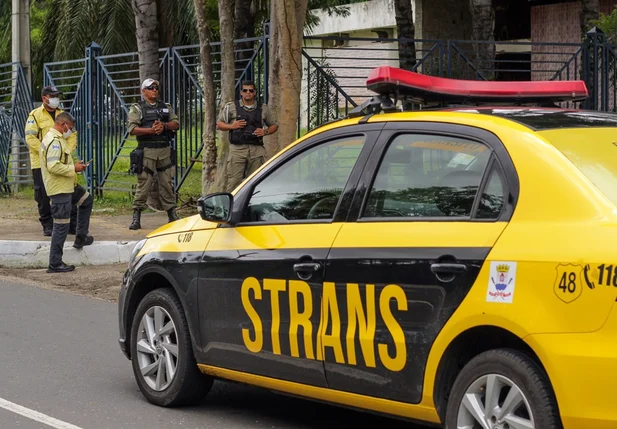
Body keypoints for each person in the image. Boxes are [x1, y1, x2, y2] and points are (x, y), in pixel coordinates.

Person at [40, 112, 94, 273]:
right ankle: (55, 263)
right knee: (61, 225)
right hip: (59, 188)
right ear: (63, 125)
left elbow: (59, 161)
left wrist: (75, 165)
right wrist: (73, 168)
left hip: (68, 184)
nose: (70, 131)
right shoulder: (54, 142)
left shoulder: (58, 139)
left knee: (87, 200)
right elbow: (53, 166)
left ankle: (81, 237)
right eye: (70, 128)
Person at [127, 78, 180, 230]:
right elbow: (132, 129)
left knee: (167, 183)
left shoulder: (166, 107)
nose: (155, 90)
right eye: (151, 88)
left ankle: (171, 213)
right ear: (144, 91)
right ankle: (136, 216)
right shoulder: (137, 108)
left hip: (164, 151)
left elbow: (176, 123)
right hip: (147, 151)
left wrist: (164, 126)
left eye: (156, 87)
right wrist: (151, 130)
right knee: (144, 184)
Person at [25, 86, 78, 237]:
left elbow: (73, 134)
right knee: (43, 194)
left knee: (68, 190)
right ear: (44, 98)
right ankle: (47, 225)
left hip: (63, 160)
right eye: (53, 96)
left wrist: (66, 150)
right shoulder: (34, 115)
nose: (56, 98)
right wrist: (45, 150)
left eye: (57, 96)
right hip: (40, 162)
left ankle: (70, 223)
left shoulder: (63, 114)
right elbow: (30, 138)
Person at [217, 80, 278, 192]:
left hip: (257, 150)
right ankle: (233, 207)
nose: (248, 92)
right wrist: (232, 126)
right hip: (237, 150)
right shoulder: (231, 107)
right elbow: (219, 124)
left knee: (255, 181)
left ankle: (251, 207)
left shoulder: (263, 108)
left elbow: (274, 125)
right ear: (241, 92)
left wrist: (265, 132)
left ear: (255, 92)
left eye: (251, 90)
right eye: (245, 90)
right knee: (234, 182)